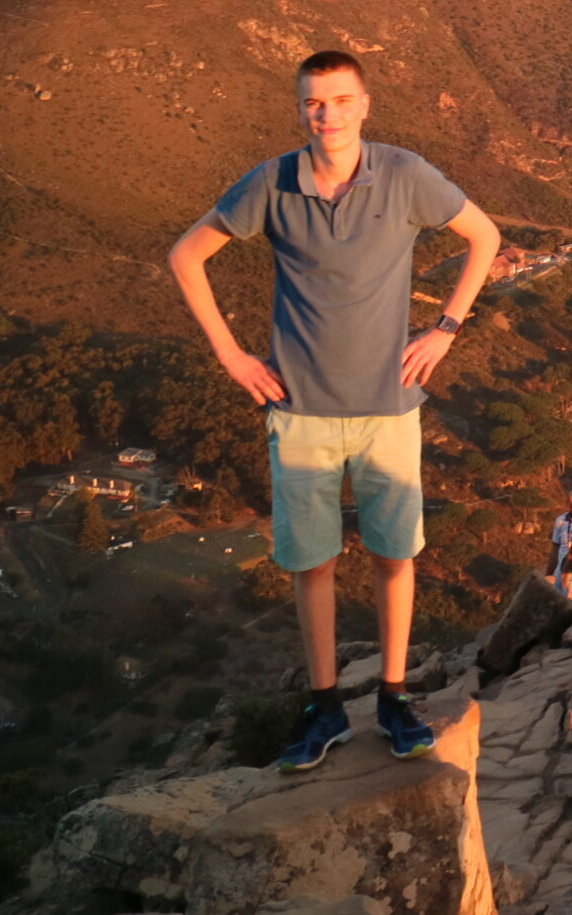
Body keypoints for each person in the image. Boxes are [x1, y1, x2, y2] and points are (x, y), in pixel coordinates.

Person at [167, 50, 500, 772]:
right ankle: (324, 709)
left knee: (393, 555)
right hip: (302, 409)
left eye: (341, 100)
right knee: (312, 562)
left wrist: (444, 329)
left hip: (388, 405)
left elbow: (486, 237)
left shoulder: (405, 174)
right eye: (315, 103)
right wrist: (231, 355)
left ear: (365, 104)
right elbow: (187, 255)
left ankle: (392, 695)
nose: (329, 114)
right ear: (300, 110)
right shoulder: (272, 183)